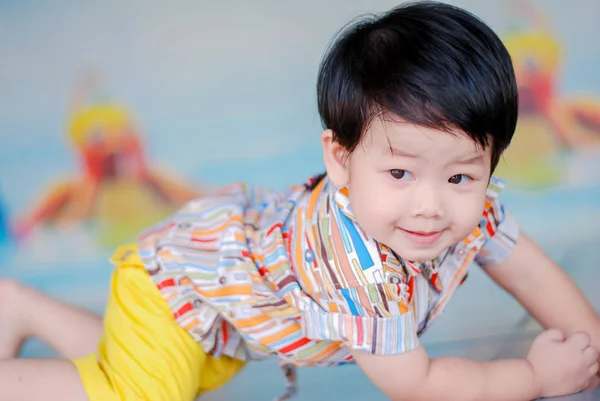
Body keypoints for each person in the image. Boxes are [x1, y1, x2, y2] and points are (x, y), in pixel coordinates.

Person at [1, 2, 599, 400]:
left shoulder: (472, 209)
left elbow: (527, 268)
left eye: (460, 178)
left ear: (489, 163)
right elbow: (417, 383)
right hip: (179, 287)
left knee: (162, 369)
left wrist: (590, 343)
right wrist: (533, 375)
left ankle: (20, 306)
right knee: (134, 395)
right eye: (398, 172)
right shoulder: (358, 272)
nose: (431, 206)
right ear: (340, 159)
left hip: (215, 291)